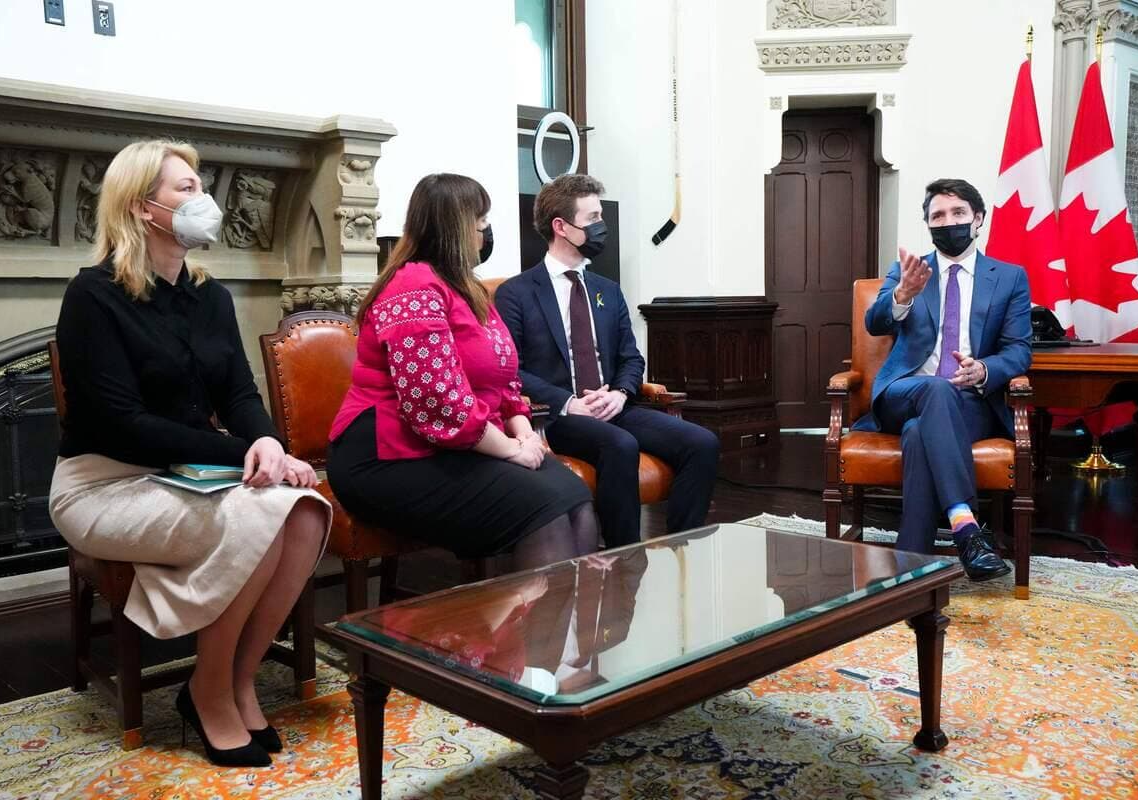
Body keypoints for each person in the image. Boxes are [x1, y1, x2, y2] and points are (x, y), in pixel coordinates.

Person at [48, 141, 331, 768]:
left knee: (305, 510)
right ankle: (207, 691)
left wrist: (267, 443)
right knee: (262, 513)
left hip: (187, 475)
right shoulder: (93, 296)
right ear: (141, 206)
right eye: (184, 187)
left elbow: (237, 392)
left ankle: (237, 679)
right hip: (104, 484)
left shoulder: (212, 297)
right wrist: (244, 455)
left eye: (199, 183)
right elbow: (124, 427)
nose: (202, 198)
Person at [327, 173, 599, 572]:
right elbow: (435, 401)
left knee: (574, 496)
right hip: (388, 456)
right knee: (543, 510)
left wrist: (523, 431)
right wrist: (509, 448)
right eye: (482, 225)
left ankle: (577, 627)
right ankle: (541, 632)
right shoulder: (412, 288)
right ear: (457, 230)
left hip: (456, 444)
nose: (486, 234)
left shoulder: (465, 287)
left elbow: (504, 377)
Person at [494, 174, 720, 548]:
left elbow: (631, 358)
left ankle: (683, 551)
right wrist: (568, 403)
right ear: (561, 227)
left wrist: (619, 392)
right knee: (620, 445)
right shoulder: (516, 294)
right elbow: (509, 371)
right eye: (593, 217)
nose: (602, 227)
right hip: (556, 414)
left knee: (702, 442)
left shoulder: (607, 291)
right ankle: (623, 558)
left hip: (615, 405)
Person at [856, 178, 1032, 580]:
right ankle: (965, 525)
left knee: (920, 435)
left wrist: (985, 370)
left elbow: (1019, 350)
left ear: (978, 219)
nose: (947, 221)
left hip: (970, 402)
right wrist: (903, 295)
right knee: (932, 391)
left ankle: (910, 568)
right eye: (937, 215)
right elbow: (875, 322)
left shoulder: (1008, 278)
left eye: (957, 213)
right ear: (928, 224)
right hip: (903, 393)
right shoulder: (909, 271)